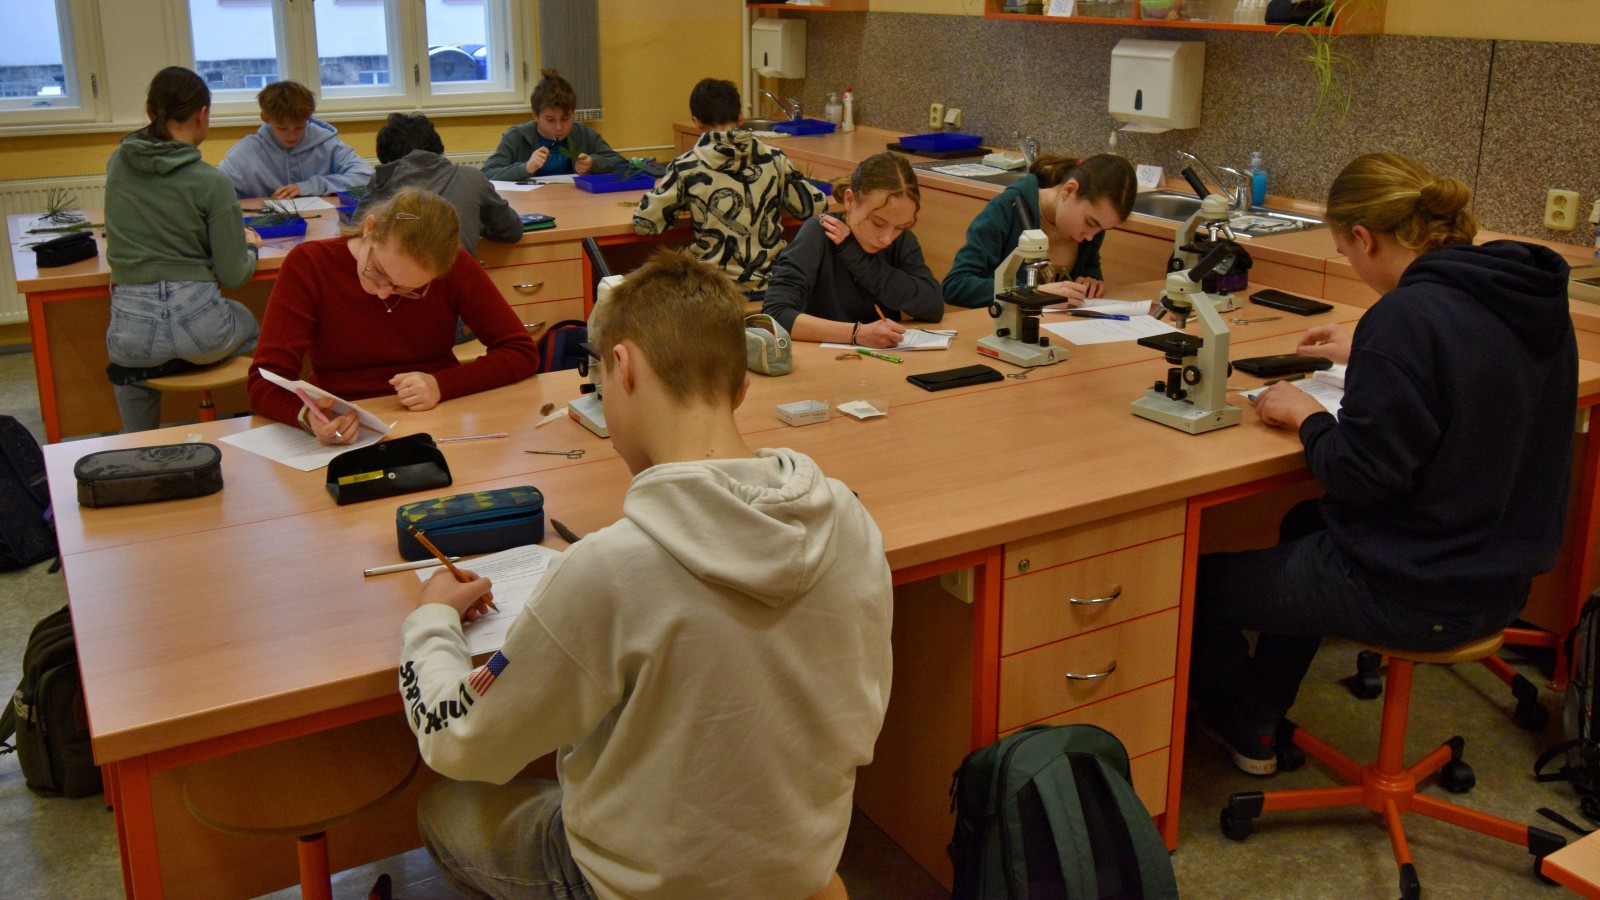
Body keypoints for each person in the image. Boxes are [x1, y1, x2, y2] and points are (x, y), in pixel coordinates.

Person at [399, 251, 893, 899]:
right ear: (741, 388)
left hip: (642, 885)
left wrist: (432, 619)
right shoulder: (850, 521)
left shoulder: (610, 569)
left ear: (623, 368)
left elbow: (458, 740)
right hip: (799, 863)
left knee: (448, 808)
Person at [1189, 152, 1577, 776]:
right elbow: (1469, 369)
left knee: (1192, 590)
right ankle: (1259, 716)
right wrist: (1372, 348)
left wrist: (1305, 415)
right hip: (1501, 578)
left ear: (1364, 238)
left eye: (1346, 253)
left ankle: (1237, 714)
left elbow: (1358, 477)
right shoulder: (1523, 295)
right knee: (1305, 523)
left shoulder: (1407, 318)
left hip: (1414, 588)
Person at [247, 188, 539, 445]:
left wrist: (441, 385)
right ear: (370, 228)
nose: (384, 293)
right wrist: (309, 417)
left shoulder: (455, 265)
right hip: (348, 426)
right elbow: (264, 381)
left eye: (408, 289)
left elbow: (520, 351)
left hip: (437, 421)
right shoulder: (310, 264)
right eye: (378, 271)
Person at [103, 66, 262, 433]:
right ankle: (247, 425)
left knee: (131, 371)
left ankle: (138, 445)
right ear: (202, 114)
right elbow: (234, 274)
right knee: (254, 327)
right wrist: (249, 247)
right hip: (202, 329)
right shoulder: (212, 181)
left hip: (133, 328)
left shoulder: (117, 164)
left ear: (149, 112)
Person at [633, 77, 826, 298]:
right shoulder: (773, 159)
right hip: (771, 286)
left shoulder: (686, 167)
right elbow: (815, 207)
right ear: (740, 116)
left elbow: (644, 223)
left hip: (713, 292)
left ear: (697, 122)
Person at [762, 152, 944, 349]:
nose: (887, 239)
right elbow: (774, 315)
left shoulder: (901, 241)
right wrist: (858, 334)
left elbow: (933, 306)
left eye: (900, 227)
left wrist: (859, 259)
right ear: (849, 200)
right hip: (819, 356)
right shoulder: (819, 232)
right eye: (878, 223)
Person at [941, 154, 1137, 309]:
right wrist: (1032, 294)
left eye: (1102, 229)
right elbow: (956, 285)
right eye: (1090, 223)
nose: (1090, 236)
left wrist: (1091, 279)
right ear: (1069, 191)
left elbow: (1089, 266)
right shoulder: (1007, 208)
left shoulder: (1093, 227)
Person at [358, 112, 522, 256]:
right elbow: (512, 230)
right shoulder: (471, 178)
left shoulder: (382, 181)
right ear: (438, 147)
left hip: (394, 279)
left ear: (387, 161)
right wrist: (473, 224)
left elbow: (355, 235)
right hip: (460, 277)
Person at [218, 80, 372, 200]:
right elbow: (216, 190)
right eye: (282, 128)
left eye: (299, 127)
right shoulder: (247, 152)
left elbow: (366, 177)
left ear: (308, 117)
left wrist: (312, 186)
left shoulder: (327, 143)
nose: (292, 136)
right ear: (265, 118)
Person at [481, 69, 625, 181]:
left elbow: (621, 164)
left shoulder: (584, 133)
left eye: (565, 119)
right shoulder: (517, 136)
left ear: (573, 113)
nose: (559, 127)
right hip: (531, 202)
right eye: (550, 120)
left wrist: (594, 163)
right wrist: (526, 168)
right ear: (535, 115)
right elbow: (486, 173)